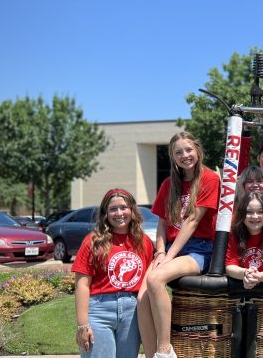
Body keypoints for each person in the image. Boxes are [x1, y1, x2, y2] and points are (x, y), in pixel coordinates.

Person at [138, 132, 220, 358]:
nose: (185, 155)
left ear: (198, 150)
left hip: (200, 249)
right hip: (172, 248)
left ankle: (165, 350)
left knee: (155, 278)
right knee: (141, 298)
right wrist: (161, 251)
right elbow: (162, 225)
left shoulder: (210, 179)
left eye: (188, 150)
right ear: (173, 158)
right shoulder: (168, 184)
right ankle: (151, 354)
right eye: (178, 152)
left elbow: (193, 221)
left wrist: (168, 256)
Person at [73, 189, 154, 358]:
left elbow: (150, 279)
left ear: (132, 210)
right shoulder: (93, 241)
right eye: (113, 209)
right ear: (105, 213)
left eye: (123, 207)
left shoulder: (144, 242)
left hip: (132, 313)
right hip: (100, 311)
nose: (119, 213)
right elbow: (82, 284)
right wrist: (82, 325)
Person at [225, 192, 263, 288]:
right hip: (242, 289)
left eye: (260, 212)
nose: (255, 216)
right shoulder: (234, 233)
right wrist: (245, 273)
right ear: (242, 214)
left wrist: (256, 277)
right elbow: (230, 267)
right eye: (249, 212)